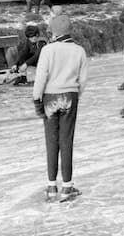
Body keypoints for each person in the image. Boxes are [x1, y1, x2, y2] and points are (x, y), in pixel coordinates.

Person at [32, 14, 88, 202]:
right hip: (70, 95)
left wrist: (37, 99)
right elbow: (83, 79)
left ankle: (51, 186)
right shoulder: (79, 50)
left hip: (50, 97)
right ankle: (67, 186)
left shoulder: (48, 50)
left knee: (51, 141)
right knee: (66, 141)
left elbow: (41, 77)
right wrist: (76, 94)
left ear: (54, 32)